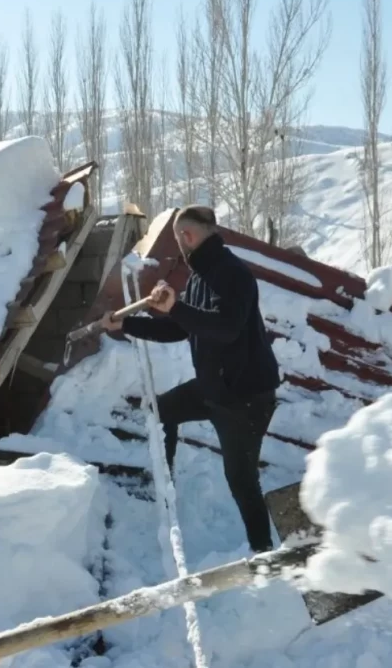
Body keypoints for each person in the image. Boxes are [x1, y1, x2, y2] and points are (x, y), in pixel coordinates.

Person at [102, 204, 281, 554]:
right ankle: (164, 490)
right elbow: (179, 328)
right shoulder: (200, 277)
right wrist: (126, 324)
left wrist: (176, 308)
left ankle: (265, 555)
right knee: (163, 410)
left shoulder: (233, 274)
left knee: (242, 481)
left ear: (187, 235)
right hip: (216, 386)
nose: (179, 246)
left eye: (178, 238)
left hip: (245, 395)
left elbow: (226, 329)